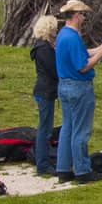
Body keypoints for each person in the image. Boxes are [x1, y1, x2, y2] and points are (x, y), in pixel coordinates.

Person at [54, 0, 102, 184]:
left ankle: (63, 169)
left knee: (67, 128)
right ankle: (83, 171)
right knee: (81, 131)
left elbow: (82, 53)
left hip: (64, 86)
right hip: (79, 87)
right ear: (76, 15)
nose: (84, 18)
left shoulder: (63, 35)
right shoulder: (73, 36)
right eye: (83, 15)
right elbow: (83, 66)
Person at [28, 15, 60, 176]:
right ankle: (43, 164)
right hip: (45, 91)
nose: (56, 31)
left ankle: (44, 161)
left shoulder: (42, 47)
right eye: (54, 28)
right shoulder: (44, 49)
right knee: (45, 129)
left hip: (44, 90)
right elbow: (53, 70)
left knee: (45, 127)